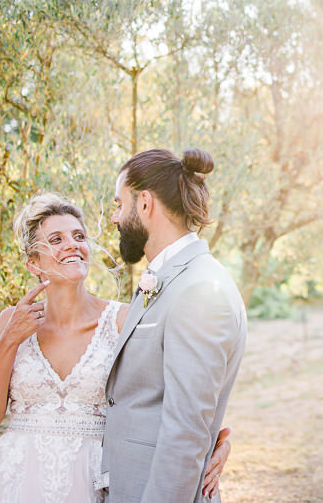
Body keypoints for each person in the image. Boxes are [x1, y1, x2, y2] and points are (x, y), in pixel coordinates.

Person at [0, 193, 230, 503]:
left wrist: (218, 439)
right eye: (56, 239)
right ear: (33, 263)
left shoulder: (123, 320)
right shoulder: (11, 321)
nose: (73, 245)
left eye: (79, 236)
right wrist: (9, 341)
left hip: (98, 480)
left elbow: (173, 392)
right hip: (14, 482)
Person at [101, 148, 247, 502]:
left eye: (119, 204)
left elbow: (186, 430)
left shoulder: (199, 289)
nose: (114, 218)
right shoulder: (171, 278)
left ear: (146, 204)